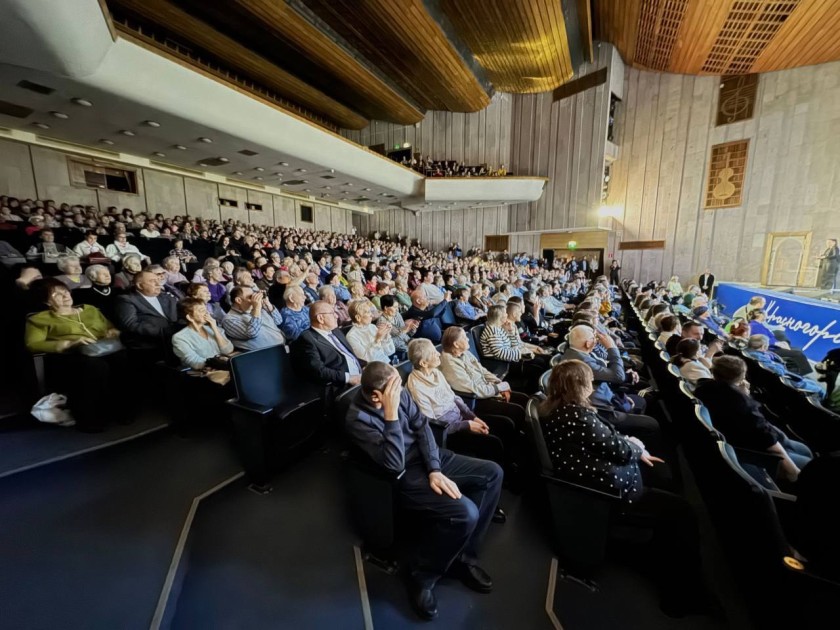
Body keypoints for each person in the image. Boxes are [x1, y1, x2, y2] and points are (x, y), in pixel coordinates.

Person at [539, 360, 708, 615]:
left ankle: (667, 562)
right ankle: (680, 597)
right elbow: (619, 450)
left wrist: (633, 448)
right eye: (589, 382)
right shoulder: (576, 416)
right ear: (579, 386)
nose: (592, 386)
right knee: (683, 512)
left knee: (664, 486)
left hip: (604, 479)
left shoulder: (559, 409)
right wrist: (637, 448)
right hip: (610, 493)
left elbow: (609, 443)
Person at [345, 362, 502, 620]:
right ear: (376, 396)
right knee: (466, 513)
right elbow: (394, 462)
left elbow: (422, 427)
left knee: (493, 473)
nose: (402, 391)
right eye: (396, 390)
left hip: (430, 461)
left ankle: (463, 558)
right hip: (404, 474)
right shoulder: (357, 419)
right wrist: (391, 413)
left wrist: (435, 468)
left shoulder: (399, 391)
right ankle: (422, 575)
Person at [406, 338, 514, 508]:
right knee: (493, 443)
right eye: (433, 353)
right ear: (423, 363)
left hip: (461, 420)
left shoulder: (436, 372)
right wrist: (467, 425)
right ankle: (491, 499)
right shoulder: (415, 386)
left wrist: (472, 417)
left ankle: (505, 481)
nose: (438, 353)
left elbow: (455, 398)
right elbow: (432, 424)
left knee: (505, 424)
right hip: (448, 432)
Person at [24, 281, 123, 432]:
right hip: (69, 356)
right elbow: (33, 344)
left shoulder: (90, 310)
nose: (65, 295)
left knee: (123, 358)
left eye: (65, 291)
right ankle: (91, 419)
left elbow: (109, 326)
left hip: (102, 348)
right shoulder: (39, 319)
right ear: (46, 301)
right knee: (95, 366)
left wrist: (112, 331)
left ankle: (122, 410)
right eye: (56, 294)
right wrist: (68, 343)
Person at [695, 356, 812, 481]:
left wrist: (742, 394)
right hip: (752, 452)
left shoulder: (703, 388)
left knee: (803, 450)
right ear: (741, 377)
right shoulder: (744, 405)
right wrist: (793, 471)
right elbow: (770, 444)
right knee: (807, 459)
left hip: (733, 440)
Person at [293, 300, 362, 387]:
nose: (337, 316)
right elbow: (318, 370)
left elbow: (349, 356)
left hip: (360, 376)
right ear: (320, 318)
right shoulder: (307, 339)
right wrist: (349, 378)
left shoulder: (336, 331)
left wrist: (364, 366)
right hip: (341, 385)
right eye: (332, 313)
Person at [114, 270, 179, 359]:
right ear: (140, 285)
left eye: (158, 280)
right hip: (148, 346)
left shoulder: (166, 297)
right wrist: (162, 332)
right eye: (152, 281)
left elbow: (181, 314)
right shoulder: (126, 300)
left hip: (175, 341)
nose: (158, 284)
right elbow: (131, 324)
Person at [172, 298, 235, 371]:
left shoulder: (212, 328)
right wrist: (219, 361)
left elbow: (228, 350)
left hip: (224, 367)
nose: (207, 313)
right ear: (190, 317)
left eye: (206, 310)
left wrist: (215, 329)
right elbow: (195, 363)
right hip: (203, 374)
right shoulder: (180, 338)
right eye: (202, 311)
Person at [222, 286, 285, 351]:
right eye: (251, 297)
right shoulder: (229, 319)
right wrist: (256, 309)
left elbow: (279, 321)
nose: (255, 299)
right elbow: (252, 333)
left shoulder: (257, 309)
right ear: (238, 300)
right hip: (263, 355)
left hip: (282, 347)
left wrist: (267, 303)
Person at [346, 299, 396, 363]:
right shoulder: (351, 336)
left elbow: (390, 351)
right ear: (358, 317)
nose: (372, 315)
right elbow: (367, 360)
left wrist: (386, 335)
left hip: (385, 363)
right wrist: (377, 340)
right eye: (368, 312)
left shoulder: (372, 326)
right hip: (373, 369)